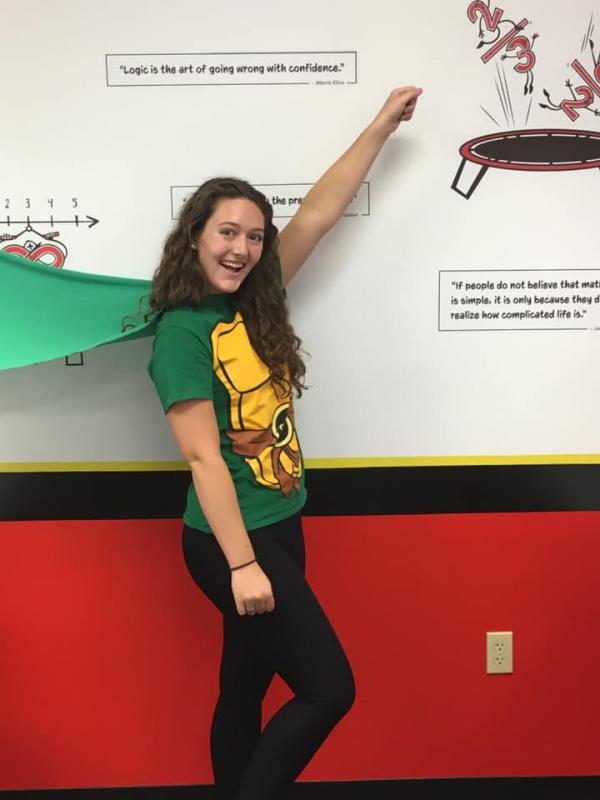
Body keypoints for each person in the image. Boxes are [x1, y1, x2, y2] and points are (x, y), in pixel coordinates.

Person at [147, 86, 422, 800]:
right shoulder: (182, 333)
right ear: (195, 237)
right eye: (226, 232)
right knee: (329, 689)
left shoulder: (255, 294)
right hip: (230, 540)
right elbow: (203, 457)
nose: (241, 248)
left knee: (244, 682)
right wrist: (242, 564)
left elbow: (321, 213)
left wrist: (380, 126)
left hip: (281, 519)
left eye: (254, 236)